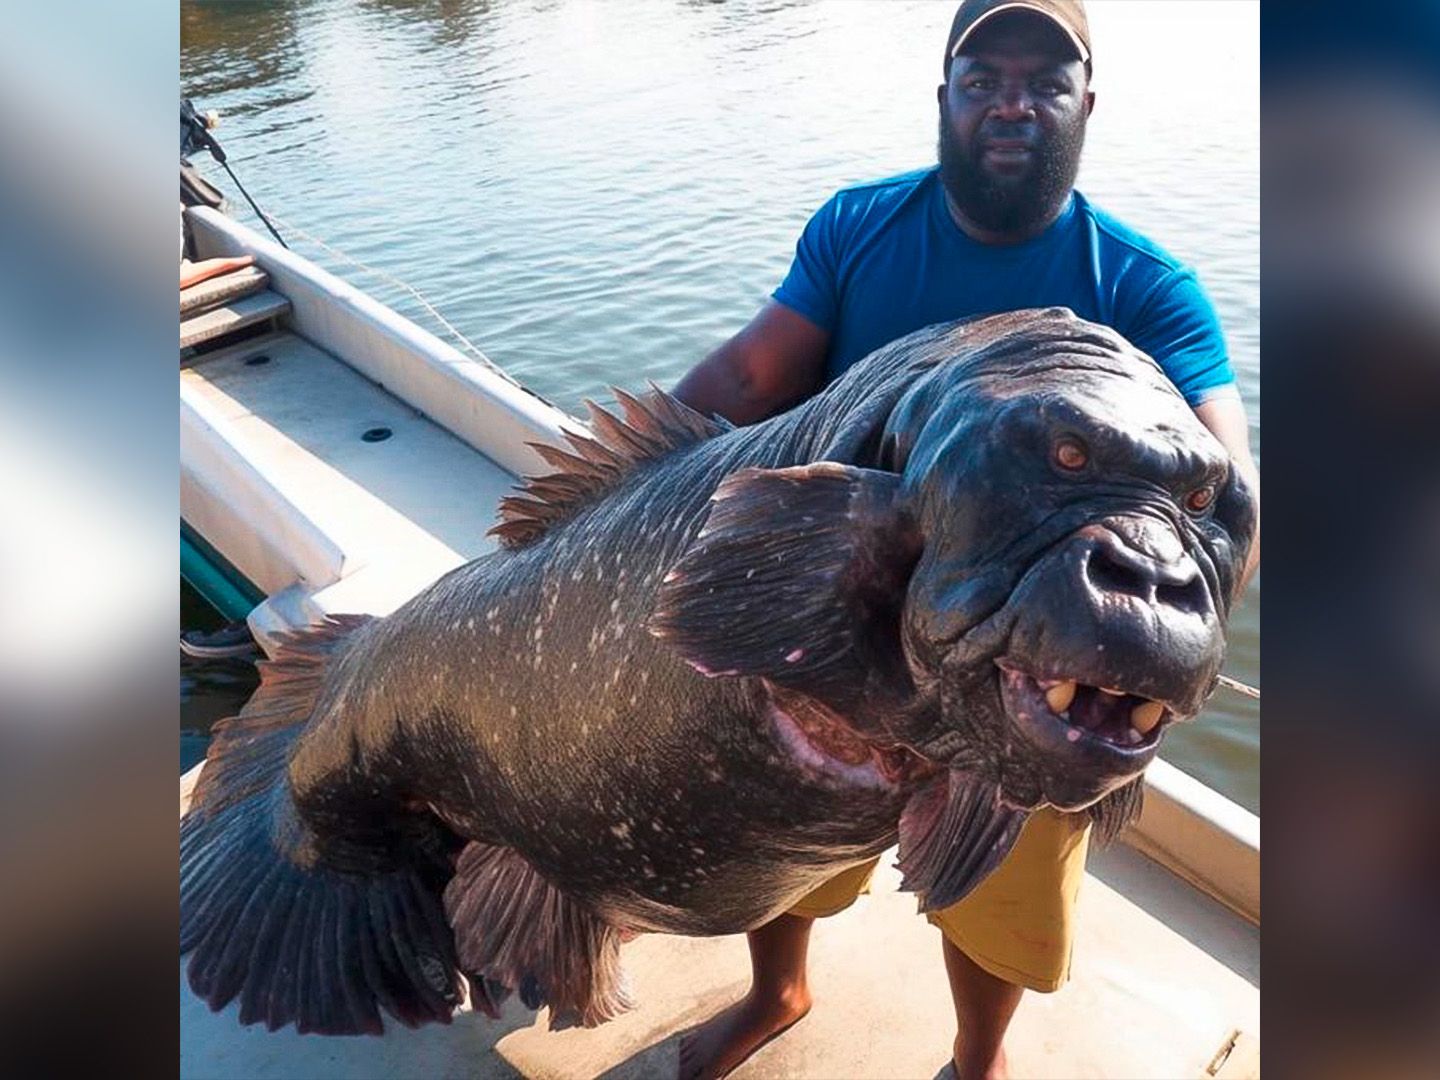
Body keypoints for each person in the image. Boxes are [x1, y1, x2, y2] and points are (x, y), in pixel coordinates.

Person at [669, 1, 1261, 1078]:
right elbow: (751, 380)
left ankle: (979, 1060)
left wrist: (1140, 655)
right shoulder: (859, 228)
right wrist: (618, 494)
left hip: (1027, 666)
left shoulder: (1141, 285)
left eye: (1046, 79)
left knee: (1000, 893)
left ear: (1088, 103)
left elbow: (1226, 484)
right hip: (841, 632)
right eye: (983, 76)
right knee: (788, 846)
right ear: (943, 96)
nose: (1012, 103)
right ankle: (779, 988)